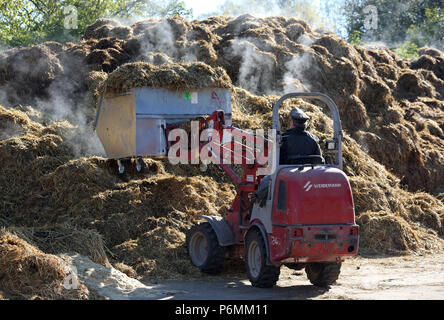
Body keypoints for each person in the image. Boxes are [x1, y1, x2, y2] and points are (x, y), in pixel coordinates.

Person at [255, 107, 322, 206]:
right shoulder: (314, 140)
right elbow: (319, 160)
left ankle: (258, 203)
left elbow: (274, 161)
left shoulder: (283, 139)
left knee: (265, 180)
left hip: (287, 177)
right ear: (305, 124)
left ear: (293, 123)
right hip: (310, 177)